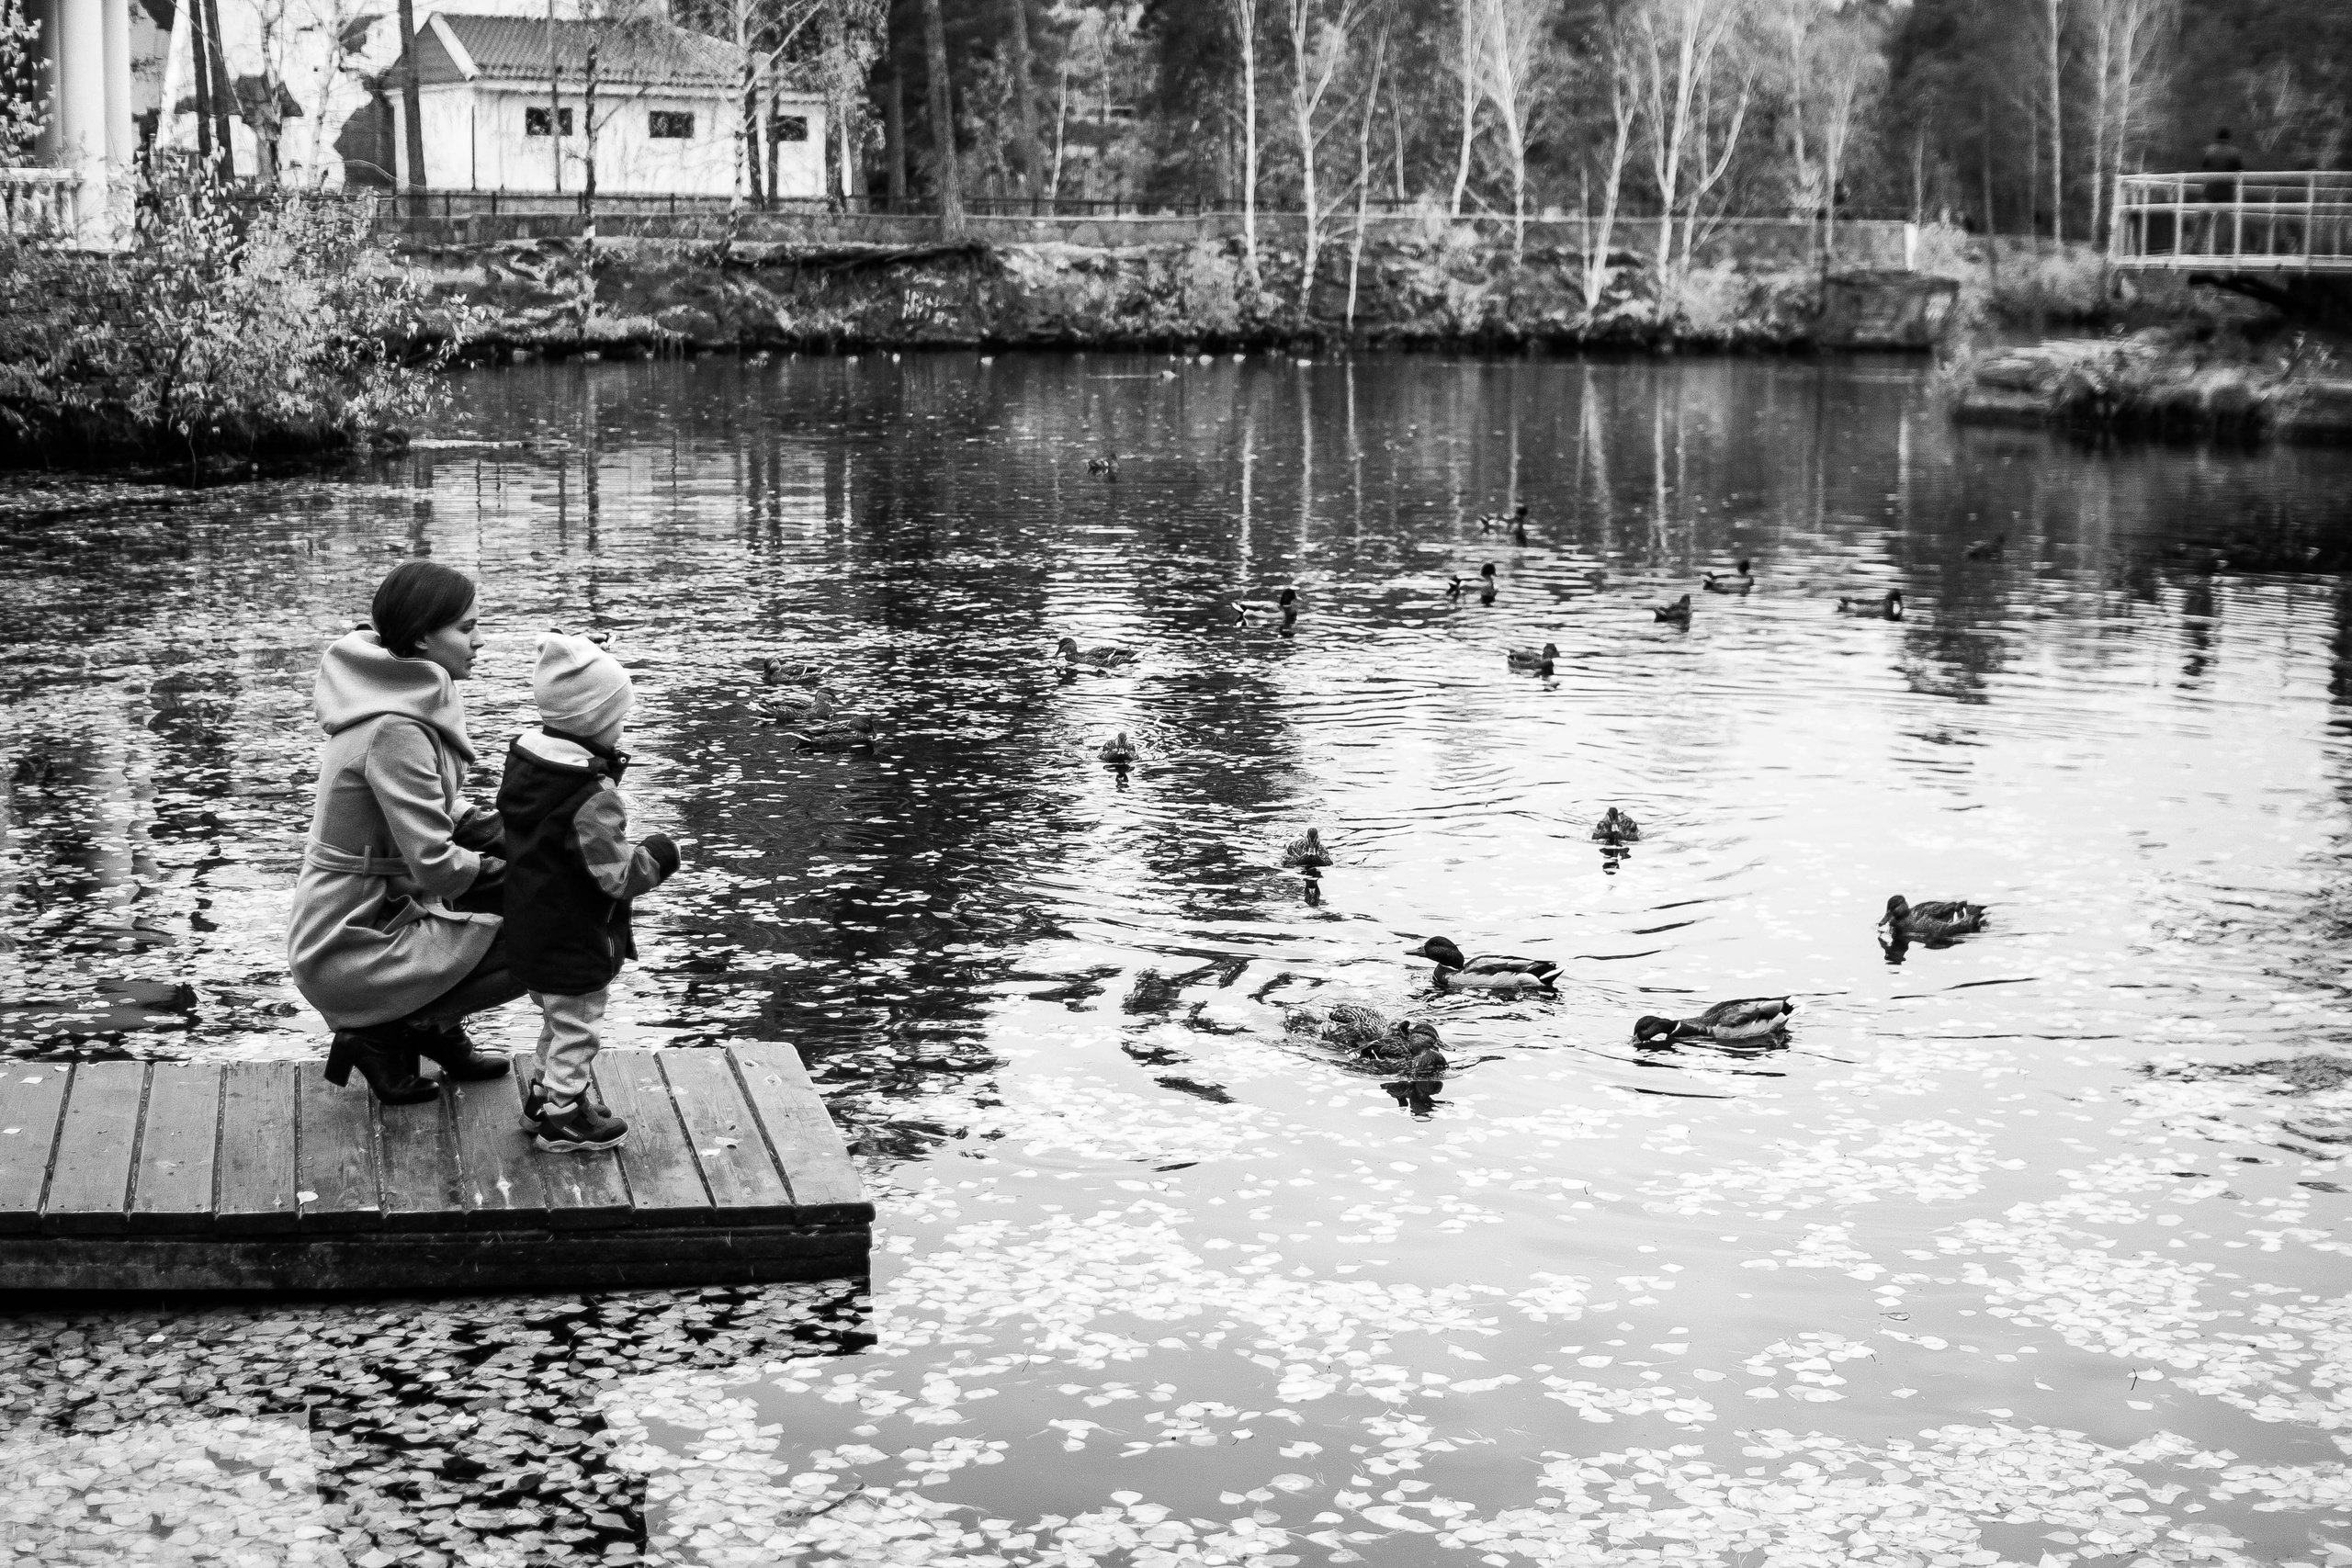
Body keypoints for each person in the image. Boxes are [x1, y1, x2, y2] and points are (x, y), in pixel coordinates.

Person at [288, 562, 525, 1104]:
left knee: (541, 900)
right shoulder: (395, 725)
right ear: (422, 636)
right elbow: (436, 863)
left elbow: (441, 806)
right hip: (353, 938)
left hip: (386, 913)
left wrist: (520, 836)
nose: (480, 641)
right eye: (466, 628)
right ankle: (386, 1031)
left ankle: (433, 1027)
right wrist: (532, 874)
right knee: (555, 923)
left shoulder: (401, 697)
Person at [499, 633, 682, 1152]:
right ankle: (562, 1115)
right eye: (619, 716)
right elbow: (617, 877)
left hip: (533, 928)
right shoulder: (591, 799)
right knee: (578, 1028)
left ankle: (546, 1094)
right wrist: (660, 854)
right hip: (573, 937)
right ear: (597, 722)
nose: (624, 725)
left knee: (558, 1022)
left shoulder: (528, 768)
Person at [2197, 127, 2246, 254]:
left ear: (2217, 138)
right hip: (2226, 192)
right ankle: (2220, 248)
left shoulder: (2209, 151)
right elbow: (2239, 171)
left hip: (2209, 191)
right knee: (2223, 222)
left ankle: (2195, 246)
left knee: (2203, 218)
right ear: (2228, 139)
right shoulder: (2234, 152)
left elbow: (2204, 167)